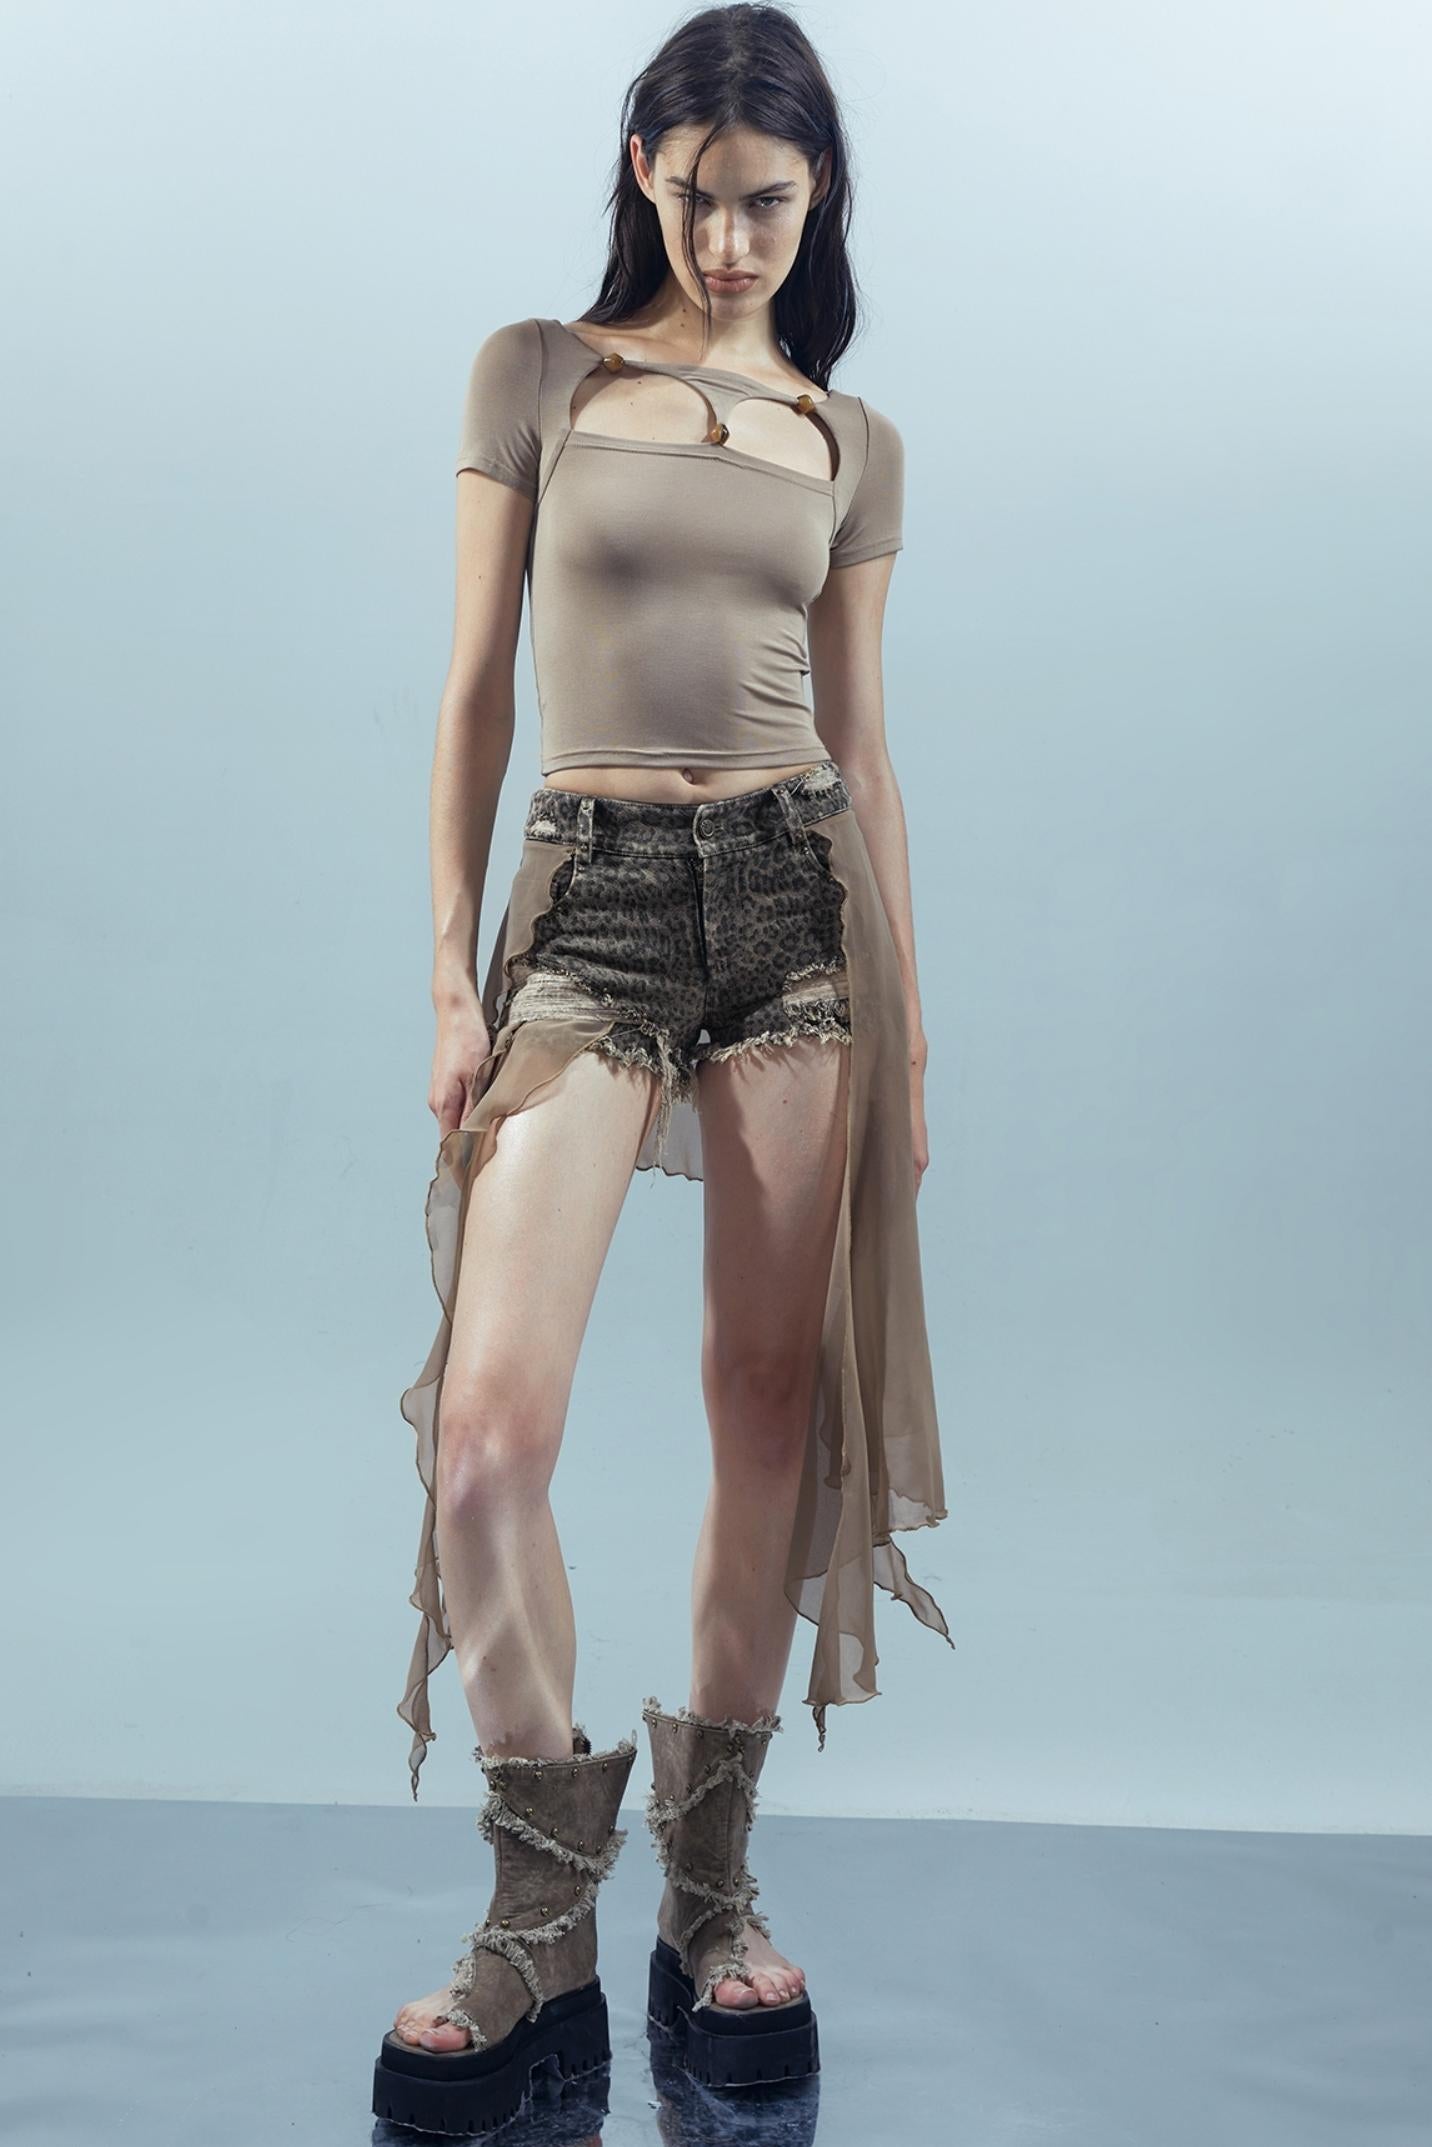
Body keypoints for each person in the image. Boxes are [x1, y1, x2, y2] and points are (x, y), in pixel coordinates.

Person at [372, 4, 953, 2128]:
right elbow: (471, 696)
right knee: (485, 1443)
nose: (729, 240)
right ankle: (540, 1907)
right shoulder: (534, 374)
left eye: (767, 204)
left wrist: (913, 1024)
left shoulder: (848, 437)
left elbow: (864, 752)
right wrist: (453, 976)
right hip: (595, 900)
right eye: (700, 196)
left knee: (765, 1411)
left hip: (798, 909)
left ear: (818, 198)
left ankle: (708, 1894)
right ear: (644, 169)